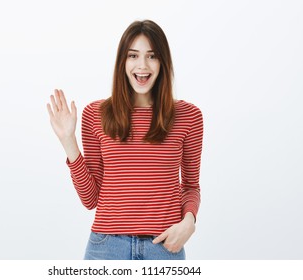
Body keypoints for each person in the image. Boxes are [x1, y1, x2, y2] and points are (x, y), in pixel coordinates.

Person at [46, 20, 203, 260]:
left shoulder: (188, 117)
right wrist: (68, 141)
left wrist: (189, 222)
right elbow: (90, 199)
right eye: (133, 56)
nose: (142, 65)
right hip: (106, 248)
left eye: (152, 56)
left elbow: (191, 186)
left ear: (163, 62)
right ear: (123, 62)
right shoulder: (95, 115)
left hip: (164, 247)